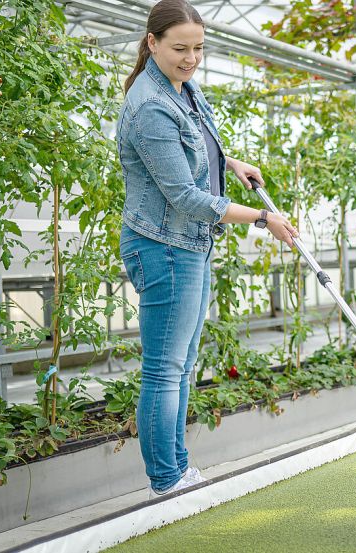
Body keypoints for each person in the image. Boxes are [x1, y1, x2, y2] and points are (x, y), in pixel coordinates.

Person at [116, 0, 297, 496]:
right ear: (152, 43)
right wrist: (263, 217)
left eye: (198, 48)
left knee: (183, 363)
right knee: (164, 368)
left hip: (188, 245)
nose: (191, 57)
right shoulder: (149, 103)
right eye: (180, 49)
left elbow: (191, 145)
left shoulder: (184, 89)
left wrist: (231, 161)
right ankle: (166, 480)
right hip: (162, 247)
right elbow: (184, 196)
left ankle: (178, 470)